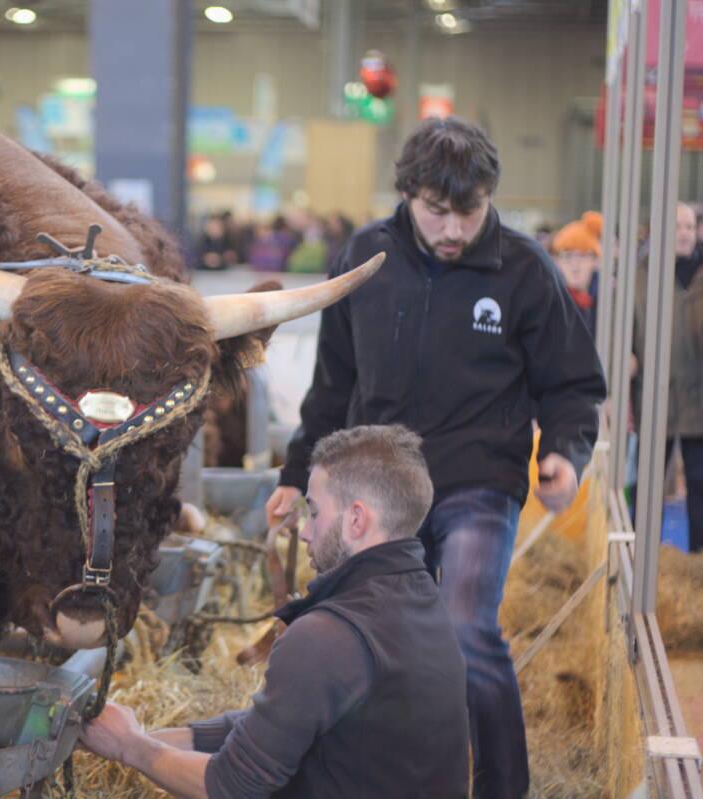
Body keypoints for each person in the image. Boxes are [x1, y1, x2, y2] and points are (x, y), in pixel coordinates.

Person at [264, 116, 606, 799]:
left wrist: (567, 452)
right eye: (436, 212)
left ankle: (502, 787)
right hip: (381, 485)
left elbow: (571, 382)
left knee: (462, 625)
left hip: (479, 479)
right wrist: (297, 474)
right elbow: (332, 384)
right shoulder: (367, 259)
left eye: (469, 212)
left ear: (490, 199)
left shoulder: (523, 270)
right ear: (407, 195)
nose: (453, 230)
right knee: (363, 635)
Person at [81, 425, 470, 799]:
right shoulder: (422, 602)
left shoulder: (329, 635)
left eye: (314, 513)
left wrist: (131, 749)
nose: (304, 532)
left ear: (356, 519)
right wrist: (143, 735)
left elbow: (229, 787)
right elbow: (279, 724)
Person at [634, 202, 703, 551]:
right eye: (677, 226)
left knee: (699, 483)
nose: (684, 233)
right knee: (647, 487)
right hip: (653, 398)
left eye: (690, 226)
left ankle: (697, 565)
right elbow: (626, 330)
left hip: (698, 401)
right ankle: (641, 558)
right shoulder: (642, 276)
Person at [550, 211, 603, 337]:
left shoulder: (610, 300)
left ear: (596, 260)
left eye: (583, 255)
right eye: (567, 256)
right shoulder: (549, 300)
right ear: (557, 262)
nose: (575, 265)